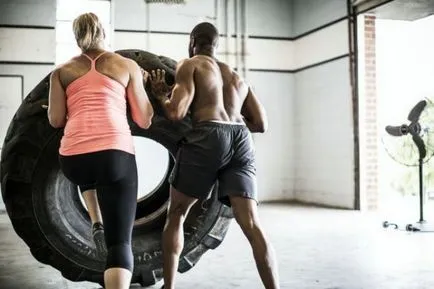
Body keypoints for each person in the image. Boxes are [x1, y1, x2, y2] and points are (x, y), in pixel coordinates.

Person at [148, 22, 280, 289]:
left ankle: (168, 287)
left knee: (176, 214)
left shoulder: (191, 64)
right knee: (252, 223)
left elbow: (175, 113)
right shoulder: (236, 76)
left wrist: (161, 95)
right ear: (216, 44)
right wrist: (232, 116)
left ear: (193, 40)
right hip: (241, 138)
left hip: (209, 135)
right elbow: (261, 124)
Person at [47, 12, 153, 289]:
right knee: (119, 244)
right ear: (103, 32)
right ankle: (110, 242)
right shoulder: (126, 65)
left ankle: (96, 220)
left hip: (73, 160)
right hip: (114, 154)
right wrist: (143, 86)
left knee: (90, 167)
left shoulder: (61, 71)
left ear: (76, 37)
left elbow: (56, 120)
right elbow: (143, 119)